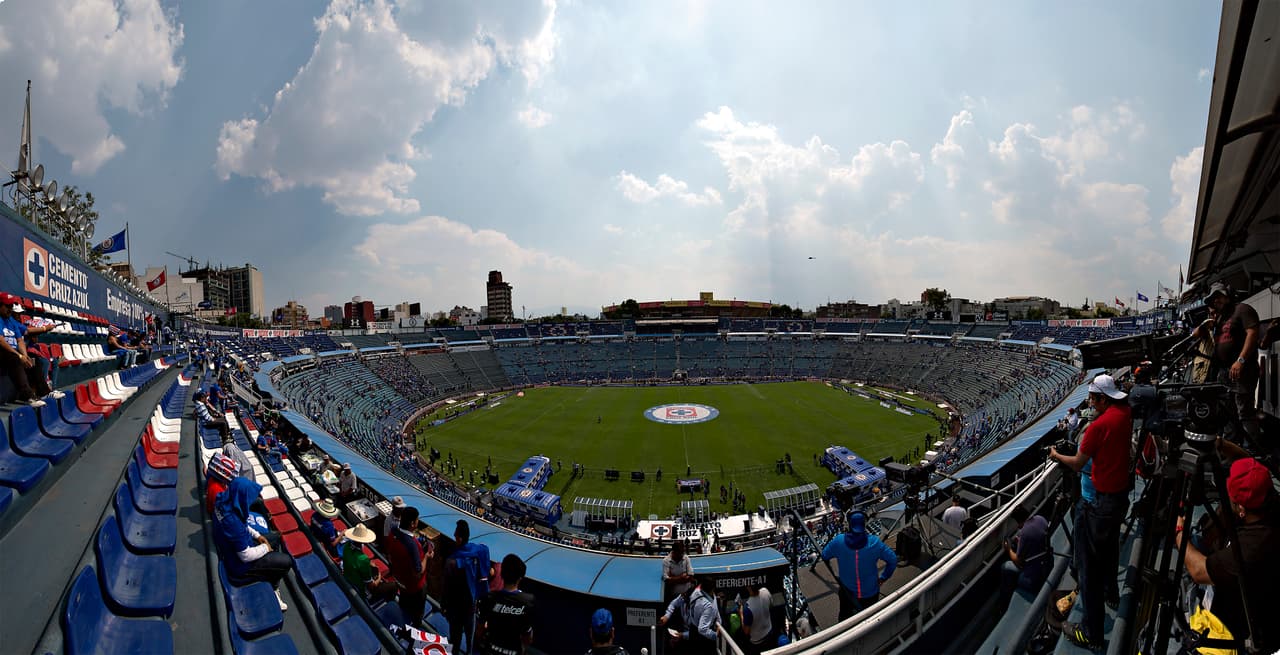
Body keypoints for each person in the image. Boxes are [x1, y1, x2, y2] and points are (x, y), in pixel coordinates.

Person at [1049, 373, 1133, 650]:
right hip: (1119, 497)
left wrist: (1055, 455)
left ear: (1101, 398)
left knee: (1089, 569)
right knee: (1110, 550)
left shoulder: (1098, 427)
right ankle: (1112, 593)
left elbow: (1076, 463)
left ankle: (1092, 633)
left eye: (1093, 398)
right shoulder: (1125, 412)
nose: (1090, 403)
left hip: (1098, 503)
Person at [1175, 457, 1280, 652]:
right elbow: (1252, 466)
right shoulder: (1269, 498)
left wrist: (1179, 531)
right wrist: (1220, 445)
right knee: (1199, 542)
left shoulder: (1253, 546)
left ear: (1241, 509)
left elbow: (1198, 571)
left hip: (1239, 625)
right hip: (1253, 588)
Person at [1196, 283, 1263, 449]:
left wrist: (1240, 360)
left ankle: (1251, 450)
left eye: (1218, 296)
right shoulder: (1219, 317)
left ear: (1227, 295)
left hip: (1242, 370)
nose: (1215, 300)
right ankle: (1232, 449)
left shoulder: (1242, 309)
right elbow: (1196, 334)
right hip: (1224, 372)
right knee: (1227, 414)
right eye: (1212, 299)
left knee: (1244, 412)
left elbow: (1253, 333)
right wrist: (1207, 324)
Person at [212, 477, 294, 610]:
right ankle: (273, 584)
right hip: (240, 567)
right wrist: (265, 548)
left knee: (276, 537)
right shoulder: (232, 523)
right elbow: (246, 556)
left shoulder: (223, 502)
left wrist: (258, 535)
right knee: (286, 561)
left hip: (238, 546)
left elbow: (243, 523)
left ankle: (271, 571)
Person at [821, 510, 897, 621]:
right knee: (870, 619)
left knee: (844, 618)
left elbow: (824, 555)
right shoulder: (875, 543)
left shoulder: (839, 541)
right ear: (864, 525)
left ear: (850, 525)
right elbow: (893, 560)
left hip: (847, 592)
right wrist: (883, 577)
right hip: (870, 593)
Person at [445, 519, 492, 654]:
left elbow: (447, 588)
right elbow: (484, 549)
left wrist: (444, 606)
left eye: (455, 535)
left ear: (459, 538)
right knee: (469, 639)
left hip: (457, 608)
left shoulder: (452, 562)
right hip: (471, 607)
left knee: (455, 639)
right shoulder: (478, 551)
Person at [476, 553, 535, 655]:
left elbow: (479, 630)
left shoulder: (489, 598)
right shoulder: (528, 602)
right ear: (520, 578)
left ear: (502, 574)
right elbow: (528, 638)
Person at [0, 293, 53, 406]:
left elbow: (19, 340)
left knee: (32, 358)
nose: (10, 309)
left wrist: (24, 355)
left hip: (12, 353)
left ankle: (44, 392)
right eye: (7, 306)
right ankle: (28, 396)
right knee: (15, 358)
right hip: (3, 351)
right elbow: (1, 341)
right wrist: (19, 356)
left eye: (11, 307)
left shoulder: (10, 321)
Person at [998, 505, 1050, 610]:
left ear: (1019, 521)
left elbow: (1018, 561)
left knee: (1005, 566)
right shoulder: (1041, 519)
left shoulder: (1025, 532)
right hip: (1047, 562)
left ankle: (1003, 604)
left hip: (1034, 577)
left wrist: (1009, 550)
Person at [386, 506, 429, 627]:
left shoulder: (393, 531)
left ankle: (403, 622)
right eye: (417, 520)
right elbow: (418, 573)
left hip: (400, 581)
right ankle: (414, 631)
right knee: (417, 615)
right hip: (415, 588)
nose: (418, 522)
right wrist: (426, 556)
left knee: (404, 605)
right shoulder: (412, 545)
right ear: (412, 523)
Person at [658, 577, 718, 654]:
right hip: (684, 632)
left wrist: (682, 635)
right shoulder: (684, 596)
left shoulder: (703, 608)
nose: (682, 598)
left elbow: (699, 632)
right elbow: (673, 604)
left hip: (696, 637)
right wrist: (666, 616)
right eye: (683, 596)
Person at [341, 523, 396, 602]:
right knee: (394, 585)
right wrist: (379, 575)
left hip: (349, 577)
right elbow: (372, 586)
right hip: (362, 589)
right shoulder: (363, 559)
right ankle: (388, 602)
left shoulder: (346, 546)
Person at [740, 583, 774, 655]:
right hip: (770, 634)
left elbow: (746, 631)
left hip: (757, 642)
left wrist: (741, 614)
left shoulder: (748, 607)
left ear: (748, 588)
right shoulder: (766, 591)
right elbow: (771, 606)